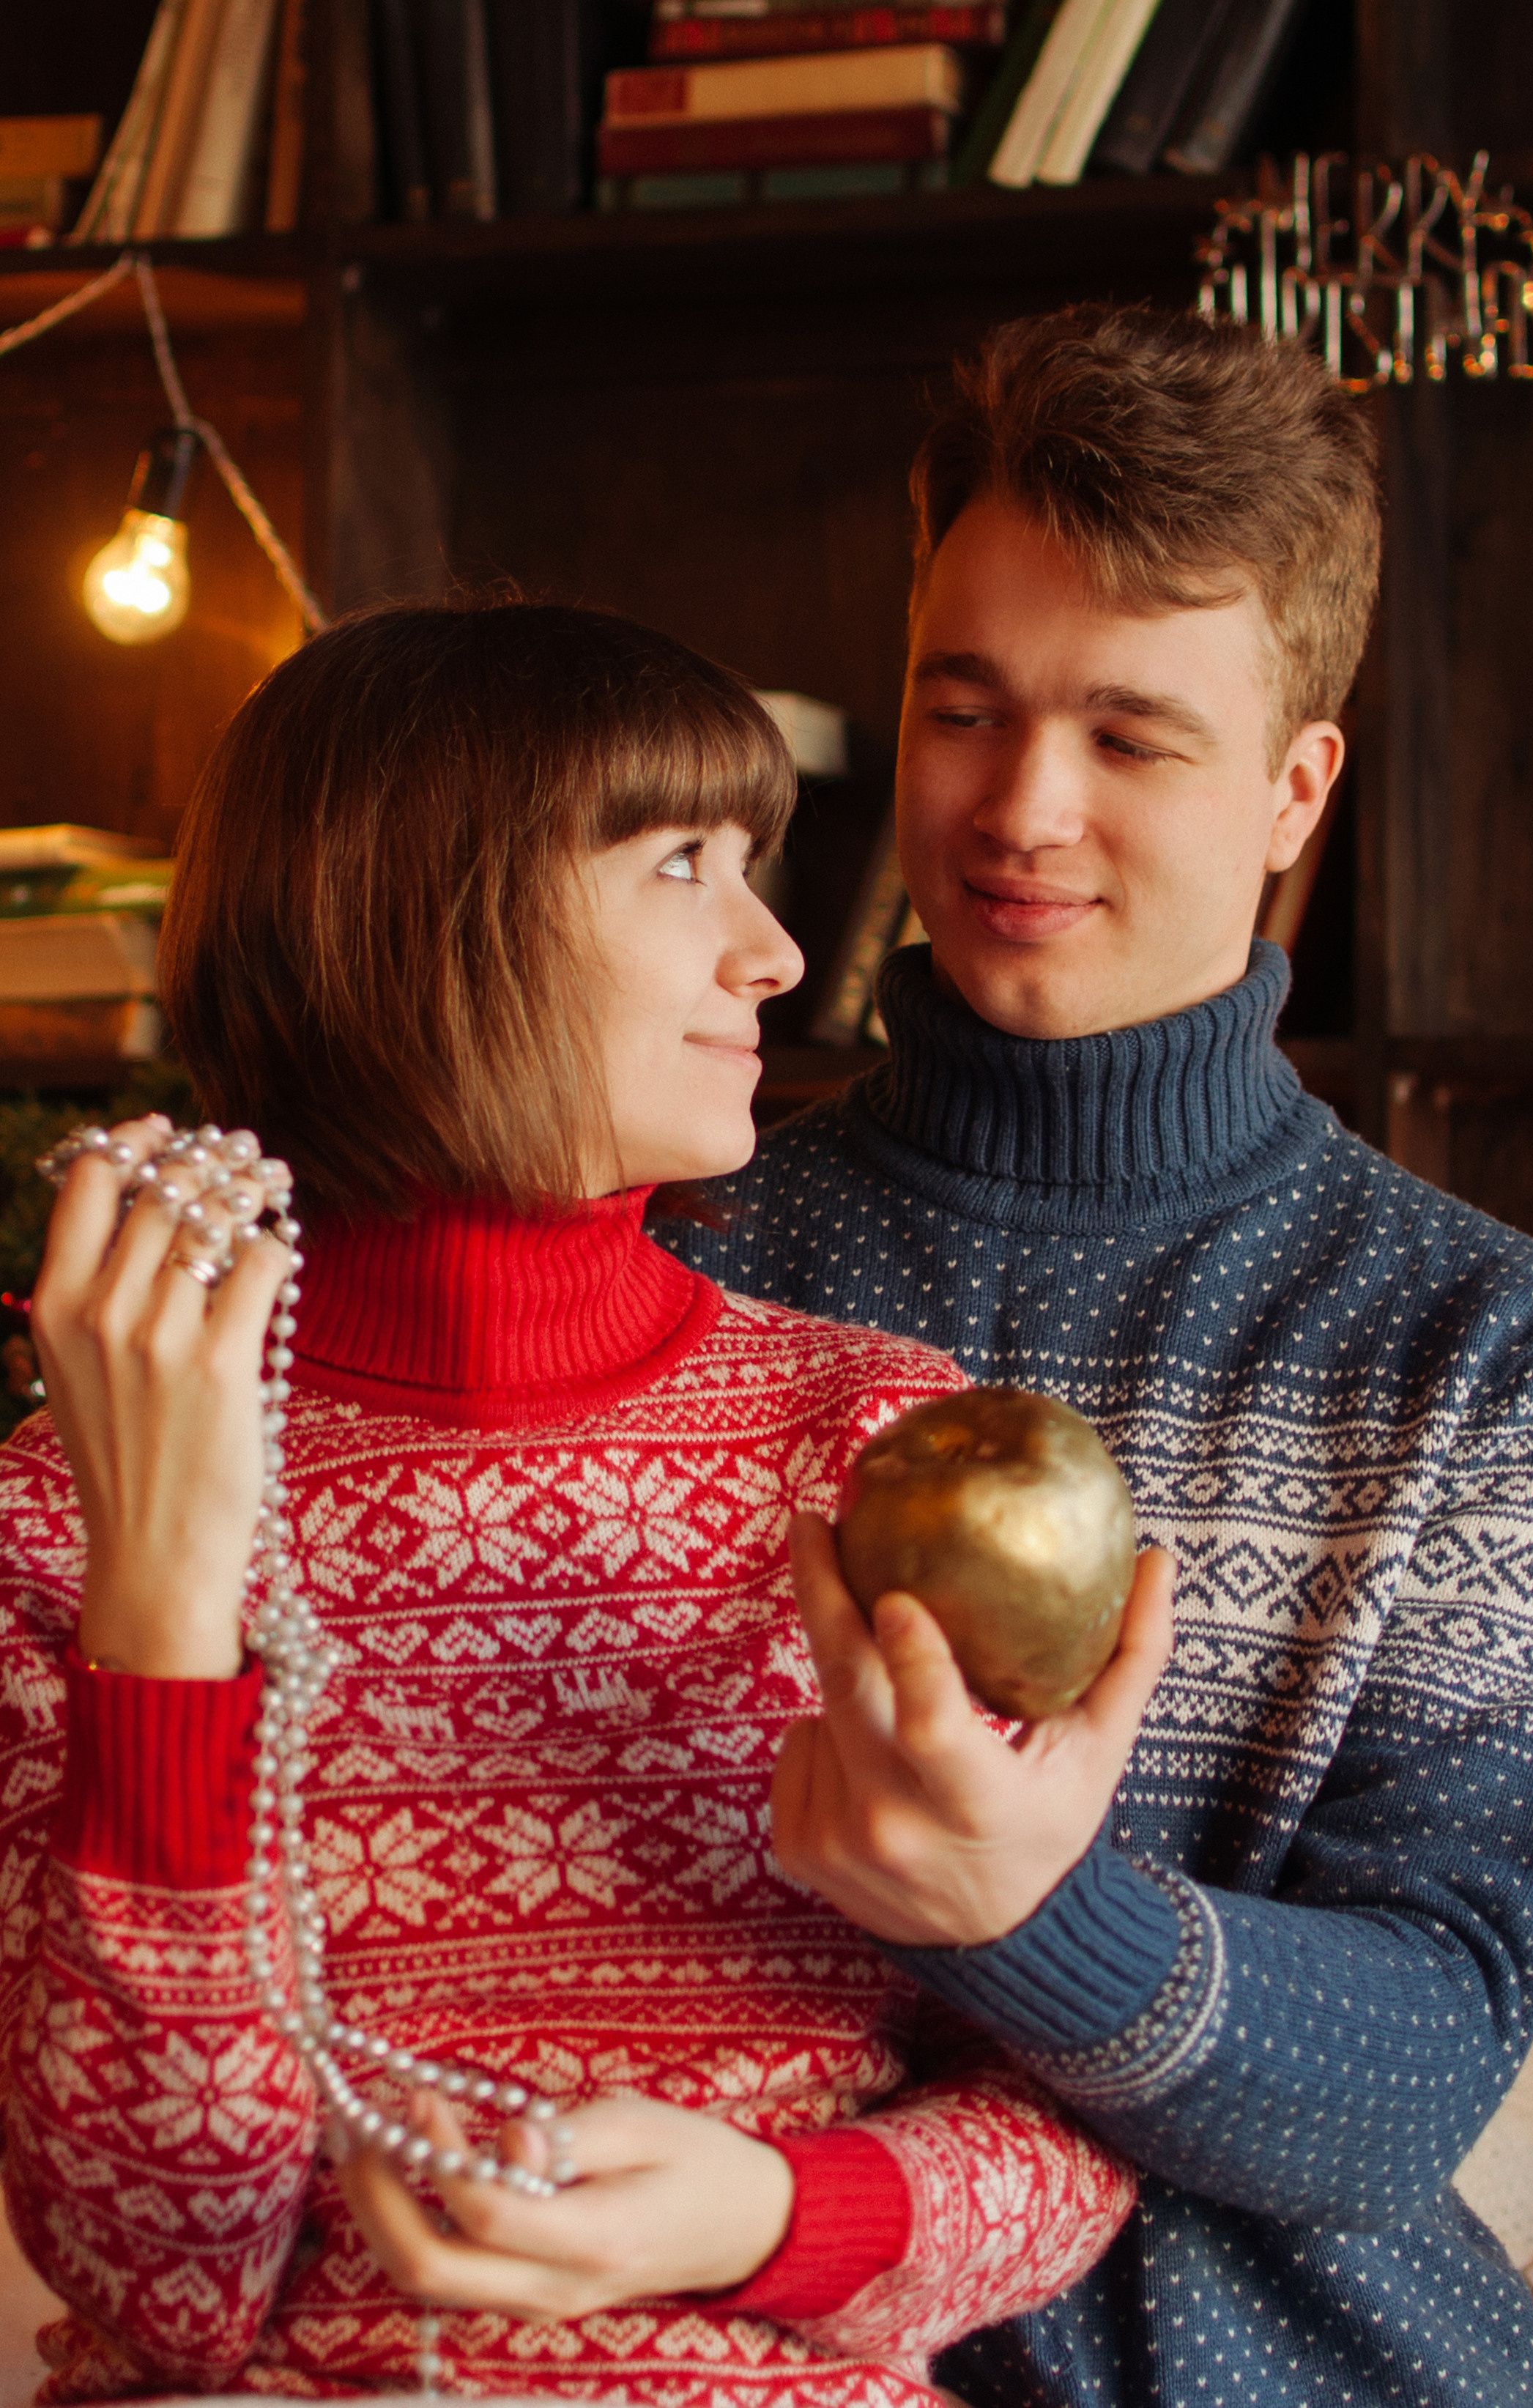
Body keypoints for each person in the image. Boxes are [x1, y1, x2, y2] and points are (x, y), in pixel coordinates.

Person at [0, 601, 1151, 2406]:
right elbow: (163, 2278)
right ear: (421, 915)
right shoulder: (71, 1507)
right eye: (683, 863)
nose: (774, 952)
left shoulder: (877, 1448)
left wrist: (763, 2216)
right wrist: (166, 1614)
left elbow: (1070, 2144)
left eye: (754, 868)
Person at [658, 303, 1533, 2407]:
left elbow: (1419, 2072)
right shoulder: (682, 1257)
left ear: (1295, 788)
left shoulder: (1498, 1351)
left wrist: (1028, 1904)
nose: (1021, 809)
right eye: (962, 708)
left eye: (1133, 737)